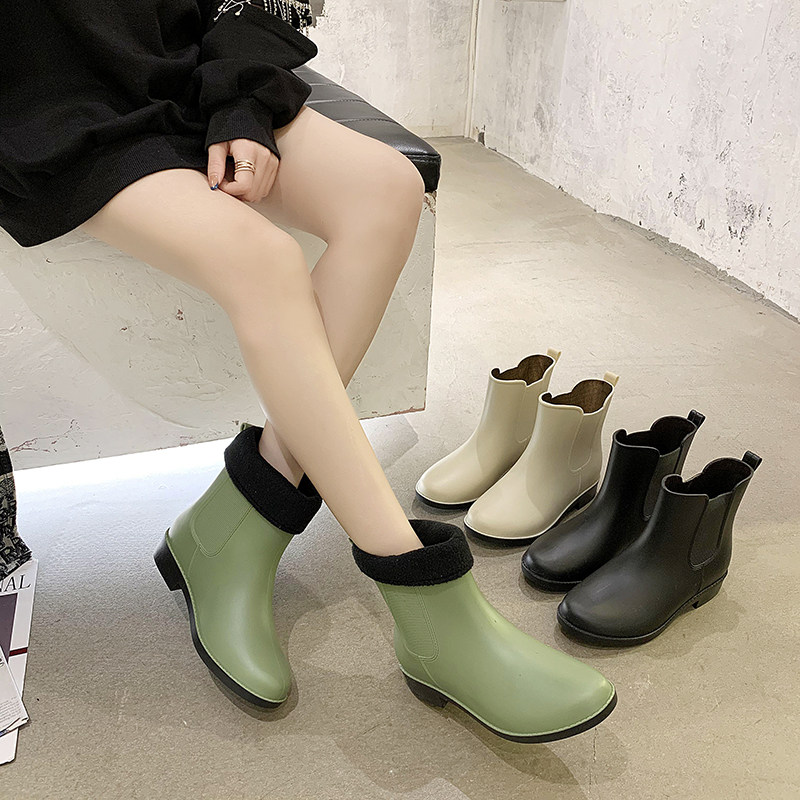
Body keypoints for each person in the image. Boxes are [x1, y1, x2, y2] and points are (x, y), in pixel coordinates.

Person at [0, 0, 616, 742]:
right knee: (263, 259)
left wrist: (240, 102)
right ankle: (429, 608)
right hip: (47, 110)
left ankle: (237, 527)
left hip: (183, 72)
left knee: (387, 188)